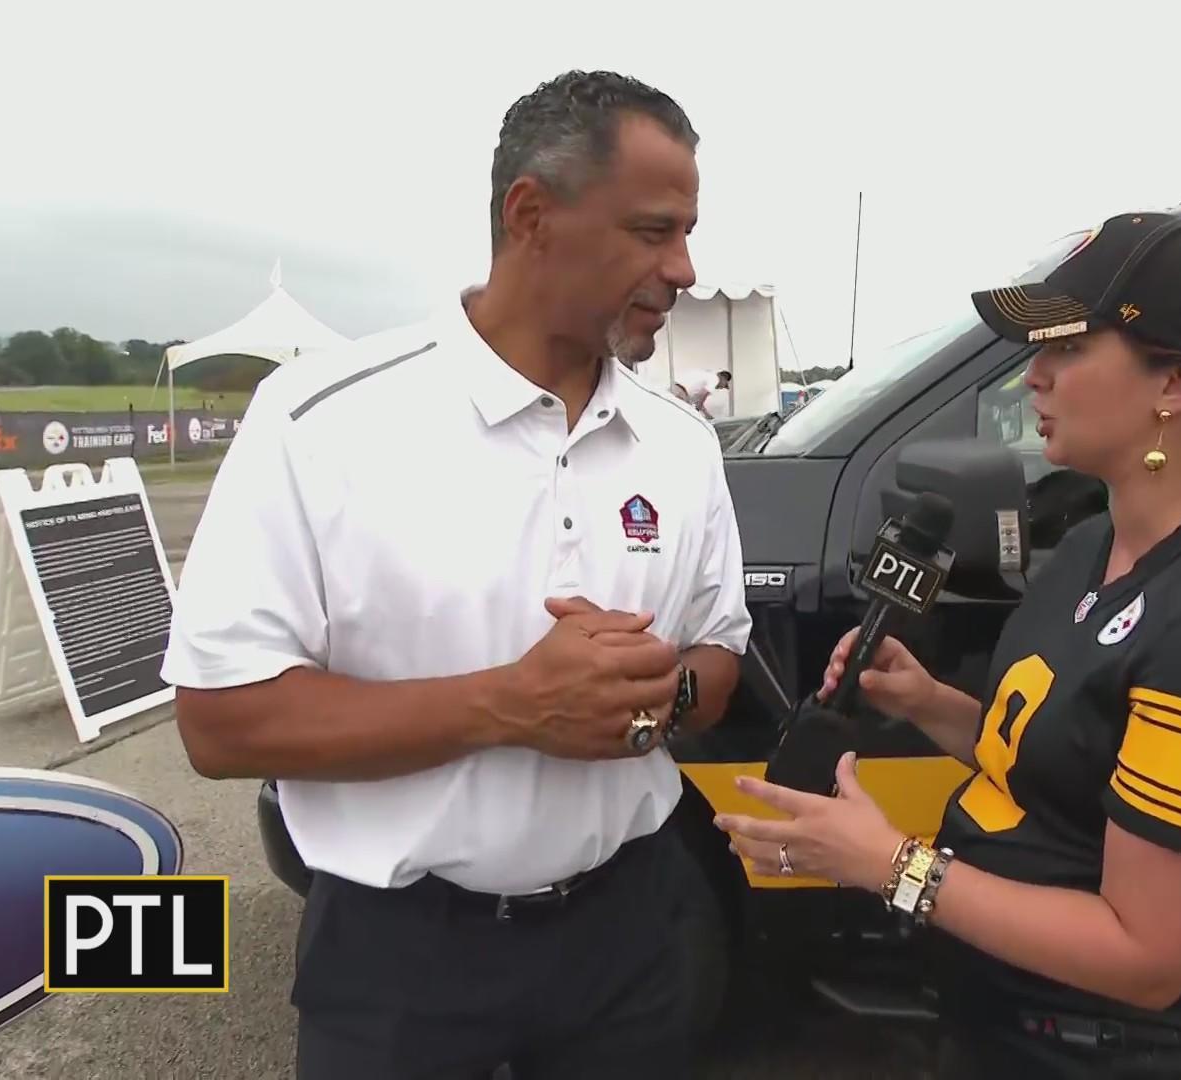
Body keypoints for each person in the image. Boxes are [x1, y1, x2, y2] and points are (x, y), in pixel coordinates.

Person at [163, 69, 750, 1080]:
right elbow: (220, 724)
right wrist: (510, 705)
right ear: (533, 215)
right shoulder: (321, 421)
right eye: (654, 231)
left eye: (687, 232)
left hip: (631, 937)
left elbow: (716, 656)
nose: (686, 268)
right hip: (398, 961)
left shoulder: (683, 444)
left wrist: (657, 701)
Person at [715, 212, 1181, 1077]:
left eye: (1069, 350)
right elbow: (1064, 766)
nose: (1032, 377)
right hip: (1016, 1035)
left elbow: (1147, 957)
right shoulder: (1089, 545)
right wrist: (928, 703)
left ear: (1178, 383)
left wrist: (891, 866)